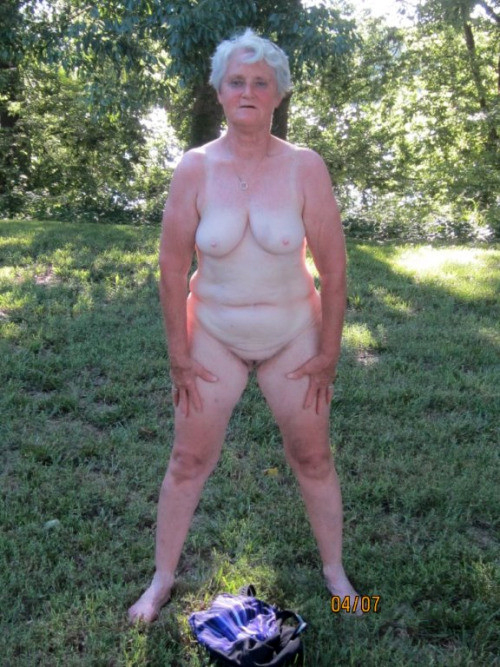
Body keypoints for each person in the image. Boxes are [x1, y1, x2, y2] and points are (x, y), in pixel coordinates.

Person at [128, 28, 359, 623]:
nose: (248, 91)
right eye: (237, 81)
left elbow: (334, 271)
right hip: (213, 335)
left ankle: (337, 575)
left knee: (313, 457)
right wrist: (179, 355)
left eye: (261, 82)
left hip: (294, 336)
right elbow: (172, 268)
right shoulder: (195, 167)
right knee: (187, 459)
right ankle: (161, 579)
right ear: (220, 91)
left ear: (279, 94)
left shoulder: (306, 167)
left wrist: (328, 354)